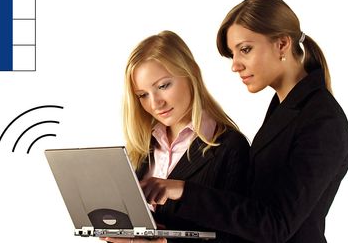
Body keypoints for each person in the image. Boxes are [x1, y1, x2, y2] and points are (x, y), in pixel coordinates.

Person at [139, 0, 348, 243]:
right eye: (233, 54)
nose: (235, 65)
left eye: (245, 49)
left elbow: (275, 225)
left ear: (282, 44)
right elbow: (247, 215)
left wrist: (183, 190)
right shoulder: (285, 108)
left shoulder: (321, 120)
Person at [101, 31, 250, 243]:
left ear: (191, 74)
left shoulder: (230, 147)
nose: (155, 103)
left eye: (163, 86)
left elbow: (238, 237)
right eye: (143, 95)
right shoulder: (143, 149)